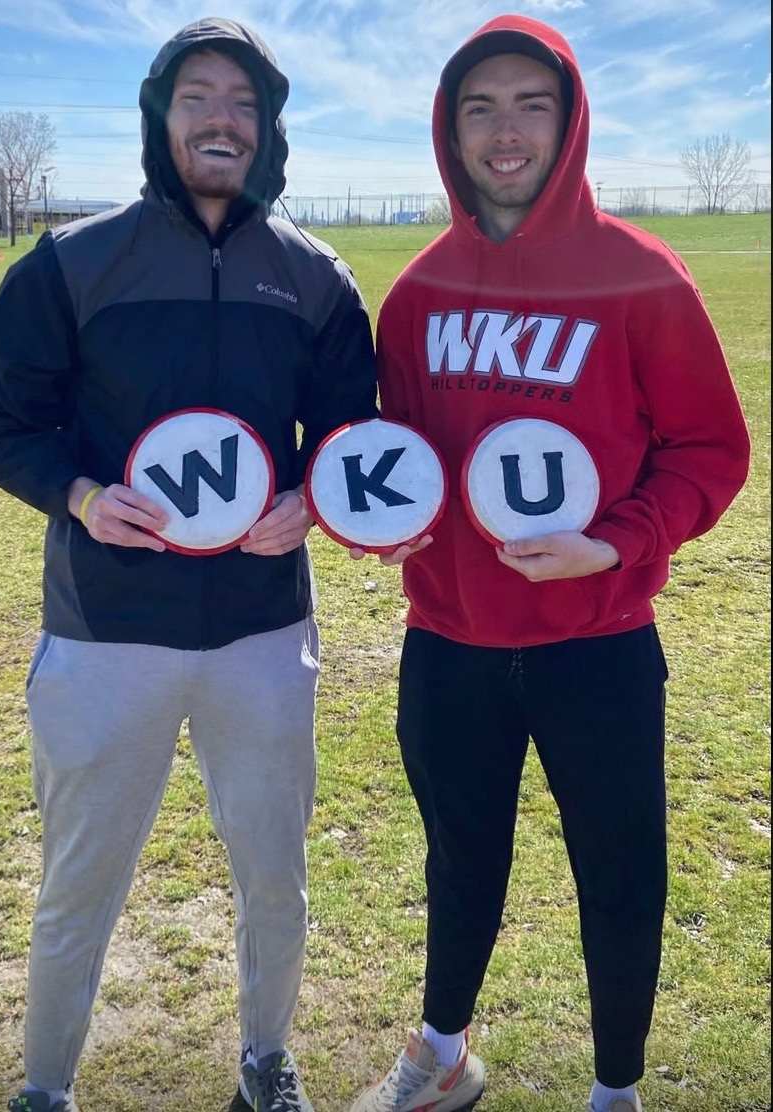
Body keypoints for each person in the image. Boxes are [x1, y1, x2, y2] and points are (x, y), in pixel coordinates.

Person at [0, 17, 377, 1112]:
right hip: (105, 633)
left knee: (275, 877)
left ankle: (265, 1056)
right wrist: (84, 496)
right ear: (160, 113)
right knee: (77, 883)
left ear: (268, 124)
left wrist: (306, 504)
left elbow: (347, 441)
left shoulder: (318, 276)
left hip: (260, 633)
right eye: (197, 94)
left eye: (242, 98)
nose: (220, 116)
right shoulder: (71, 260)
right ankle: (45, 1084)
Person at [348, 13, 750, 1112]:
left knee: (621, 873)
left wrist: (616, 540)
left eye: (531, 102)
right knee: (459, 857)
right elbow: (397, 467)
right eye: (479, 107)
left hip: (601, 640)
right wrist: (384, 522)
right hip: (451, 640)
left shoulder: (640, 274)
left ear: (569, 120)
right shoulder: (420, 291)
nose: (505, 129)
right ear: (450, 129)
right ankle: (443, 1052)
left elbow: (712, 449)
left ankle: (615, 1088)